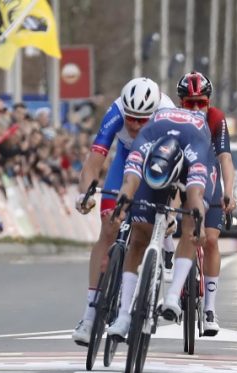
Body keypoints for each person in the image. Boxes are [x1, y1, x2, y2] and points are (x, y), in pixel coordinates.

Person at [72, 77, 173, 345]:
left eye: (143, 120)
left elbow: (178, 168)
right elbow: (94, 162)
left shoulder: (167, 114)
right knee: (108, 228)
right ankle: (90, 314)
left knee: (148, 224)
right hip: (126, 160)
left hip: (157, 162)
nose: (136, 125)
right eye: (132, 119)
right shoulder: (115, 113)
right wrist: (85, 194)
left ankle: (164, 248)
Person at [106, 108, 217, 341]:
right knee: (138, 238)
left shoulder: (196, 149)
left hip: (193, 164)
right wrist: (122, 205)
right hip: (155, 164)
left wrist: (199, 224)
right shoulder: (145, 139)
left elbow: (196, 195)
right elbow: (129, 181)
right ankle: (123, 315)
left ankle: (174, 295)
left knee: (190, 228)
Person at [174, 71, 234, 336]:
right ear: (180, 103)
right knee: (183, 234)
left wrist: (229, 191)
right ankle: (175, 283)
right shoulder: (173, 120)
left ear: (209, 101)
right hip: (183, 180)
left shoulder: (216, 118)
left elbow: (225, 159)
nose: (197, 108)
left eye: (202, 102)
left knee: (210, 240)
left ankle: (209, 308)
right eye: (190, 103)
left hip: (209, 181)